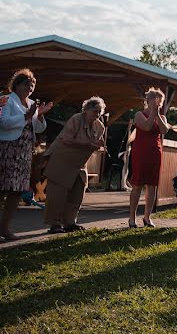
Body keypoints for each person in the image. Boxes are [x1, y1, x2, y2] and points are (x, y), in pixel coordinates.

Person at [0, 69, 52, 240]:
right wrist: (26, 116)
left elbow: (37, 128)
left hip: (24, 154)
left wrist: (40, 116)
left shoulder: (31, 104)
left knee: (16, 191)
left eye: (32, 86)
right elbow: (3, 123)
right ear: (16, 85)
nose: (29, 89)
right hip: (8, 151)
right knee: (2, 189)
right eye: (26, 85)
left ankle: (4, 228)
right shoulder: (7, 100)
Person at [43, 96, 106, 234]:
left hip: (79, 164)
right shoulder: (76, 119)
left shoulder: (99, 126)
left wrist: (99, 146)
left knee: (78, 191)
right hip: (62, 160)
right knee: (57, 194)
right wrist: (87, 144)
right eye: (95, 111)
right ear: (86, 110)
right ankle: (54, 224)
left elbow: (97, 142)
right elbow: (66, 139)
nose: (98, 114)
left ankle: (70, 223)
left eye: (100, 111)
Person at [128, 88, 170, 228]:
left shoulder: (162, 117)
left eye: (161, 101)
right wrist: (152, 114)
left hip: (155, 153)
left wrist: (158, 115)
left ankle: (147, 217)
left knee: (152, 186)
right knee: (137, 185)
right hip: (140, 152)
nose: (158, 103)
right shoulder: (139, 114)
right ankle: (132, 218)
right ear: (148, 101)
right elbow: (146, 127)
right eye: (156, 100)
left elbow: (164, 131)